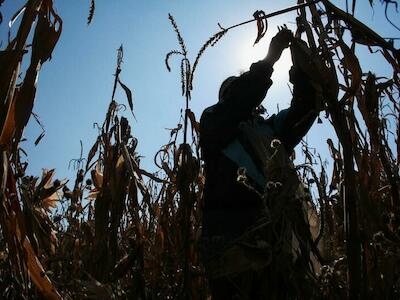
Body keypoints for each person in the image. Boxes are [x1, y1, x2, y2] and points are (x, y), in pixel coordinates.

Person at [200, 28, 322, 299]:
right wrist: (269, 60)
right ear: (226, 97)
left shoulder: (269, 131)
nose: (243, 97)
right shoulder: (214, 123)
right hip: (231, 244)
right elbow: (239, 101)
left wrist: (301, 66)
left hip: (276, 240)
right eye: (233, 91)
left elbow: (305, 109)